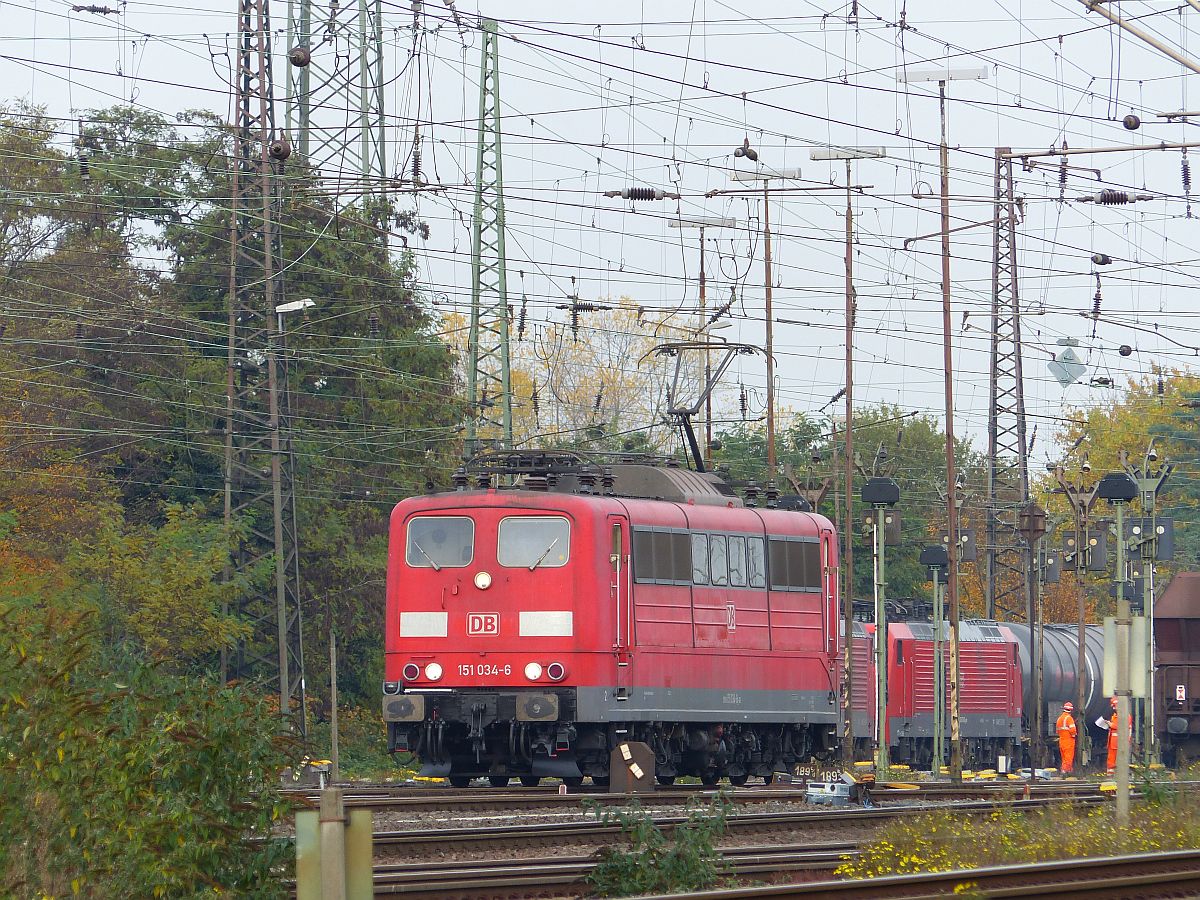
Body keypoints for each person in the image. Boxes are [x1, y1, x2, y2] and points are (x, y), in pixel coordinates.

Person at [1098, 696, 1133, 774]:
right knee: (1111, 759)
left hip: (1120, 742)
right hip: (1113, 741)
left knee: (1119, 759)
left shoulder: (1125, 716)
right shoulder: (1115, 716)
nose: (1114, 709)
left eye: (1114, 706)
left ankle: (1120, 774)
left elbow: (1122, 727)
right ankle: (1110, 774)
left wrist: (1111, 724)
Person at [1055, 701, 1077, 774]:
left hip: (1061, 740)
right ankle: (1066, 772)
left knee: (1064, 757)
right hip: (1069, 741)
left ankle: (1066, 770)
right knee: (1068, 757)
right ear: (1070, 710)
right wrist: (1074, 735)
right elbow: (1073, 730)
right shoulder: (1069, 718)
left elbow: (1057, 731)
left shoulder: (1059, 719)